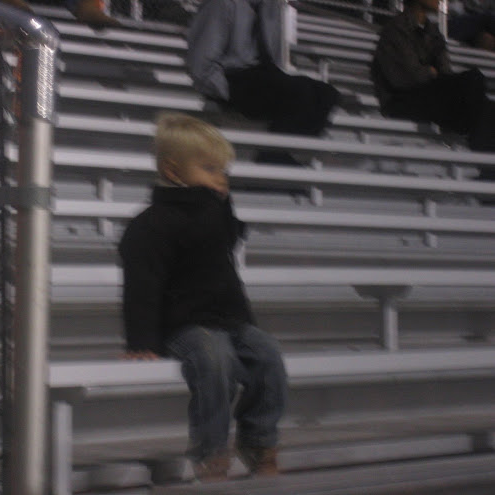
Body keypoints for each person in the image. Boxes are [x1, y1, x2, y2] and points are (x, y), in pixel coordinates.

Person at [119, 112, 288, 481]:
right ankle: (211, 450)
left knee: (269, 354)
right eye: (210, 169)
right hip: (184, 325)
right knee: (215, 360)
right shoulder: (151, 224)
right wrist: (141, 340)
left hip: (230, 320)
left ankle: (258, 438)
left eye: (224, 171)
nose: (221, 179)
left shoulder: (213, 214)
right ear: (174, 171)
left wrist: (218, 201)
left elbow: (231, 236)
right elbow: (141, 286)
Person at [187, 0, 340, 137]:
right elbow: (200, 65)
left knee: (328, 94)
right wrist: (227, 93)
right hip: (234, 77)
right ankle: (274, 154)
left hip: (263, 75)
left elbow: (273, 56)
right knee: (299, 92)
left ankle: (291, 152)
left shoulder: (270, 6)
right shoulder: (221, 4)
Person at [371, 0, 495, 152]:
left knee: (487, 105)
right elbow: (408, 77)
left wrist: (431, 72)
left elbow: (444, 70)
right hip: (399, 100)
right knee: (473, 81)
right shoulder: (395, 29)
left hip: (426, 94)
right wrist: (431, 71)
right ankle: (478, 154)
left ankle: (484, 164)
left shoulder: (432, 31)